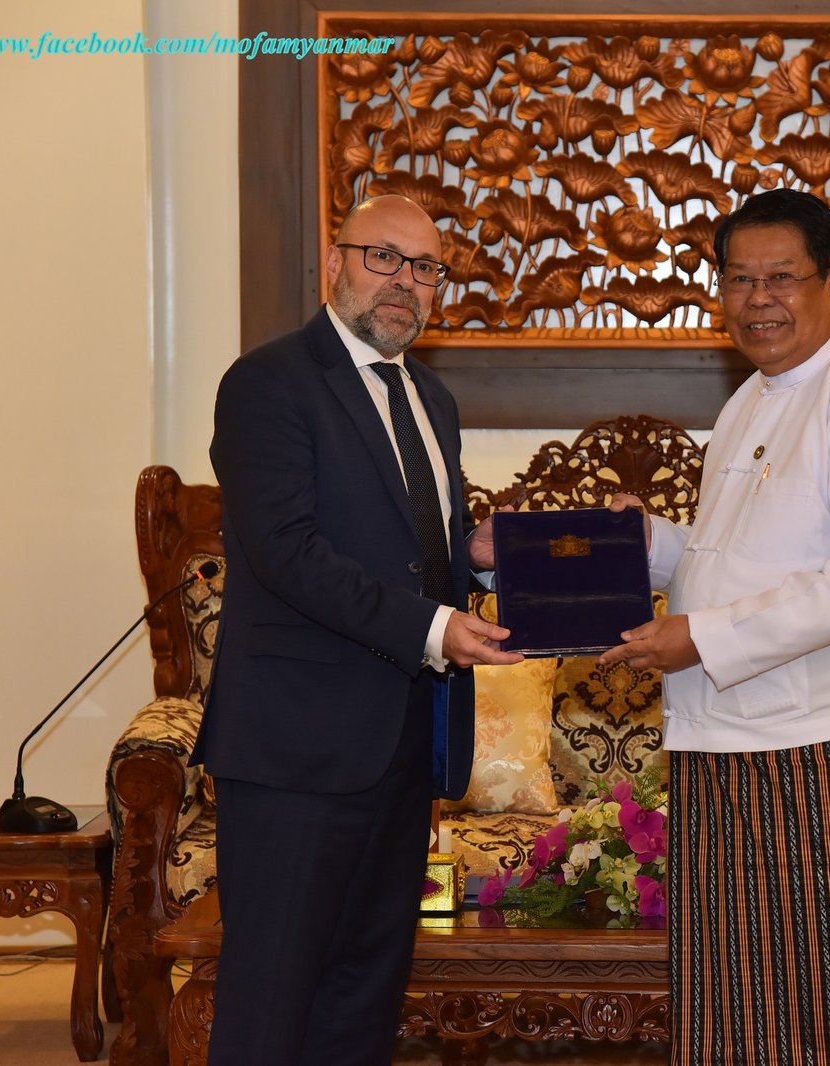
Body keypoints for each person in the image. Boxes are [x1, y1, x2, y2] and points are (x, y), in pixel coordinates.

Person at [600, 188, 830, 1066]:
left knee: (822, 1006)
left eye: (781, 277)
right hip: (717, 741)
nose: (758, 299)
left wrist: (702, 637)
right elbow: (733, 556)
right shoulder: (750, 400)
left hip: (810, 749)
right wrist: (647, 547)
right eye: (739, 279)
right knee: (725, 1004)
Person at [193, 193, 522, 1066]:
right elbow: (288, 551)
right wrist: (435, 625)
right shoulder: (267, 383)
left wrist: (475, 558)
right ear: (333, 261)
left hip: (404, 744)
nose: (403, 284)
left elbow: (412, 550)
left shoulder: (432, 399)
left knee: (366, 989)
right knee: (273, 994)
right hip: (297, 748)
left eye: (424, 269)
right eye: (383, 258)